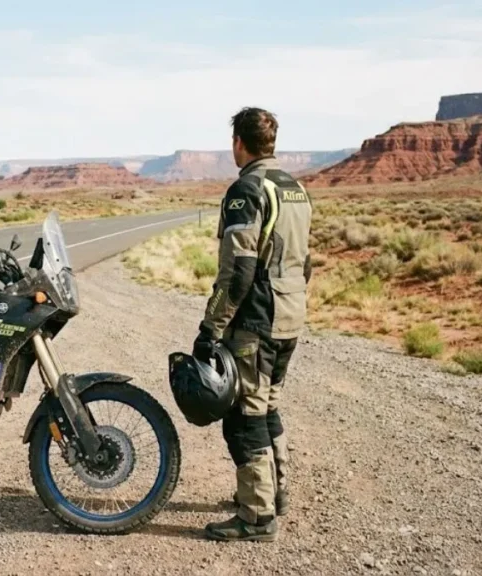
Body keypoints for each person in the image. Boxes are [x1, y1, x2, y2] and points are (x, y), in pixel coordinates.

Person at [192, 106, 312, 542]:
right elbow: (305, 259)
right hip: (291, 312)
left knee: (245, 416)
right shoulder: (294, 187)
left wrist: (211, 326)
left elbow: (238, 271)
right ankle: (275, 495)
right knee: (268, 405)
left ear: (238, 143)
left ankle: (257, 516)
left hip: (259, 320)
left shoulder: (249, 188)